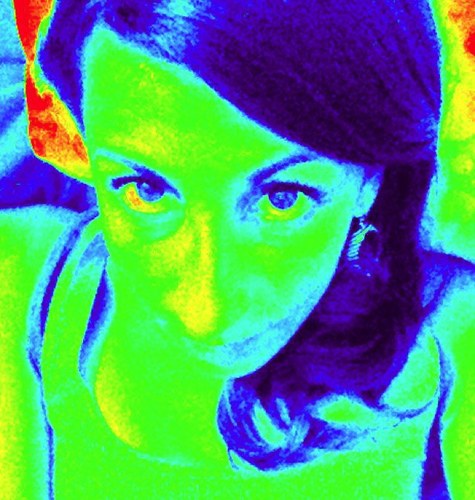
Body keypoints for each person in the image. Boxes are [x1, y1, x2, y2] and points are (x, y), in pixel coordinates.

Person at [2, 0, 474, 497]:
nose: (213, 309)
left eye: (282, 198)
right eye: (145, 190)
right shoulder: (23, 279)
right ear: (84, 140)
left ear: (371, 179)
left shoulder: (450, 322)